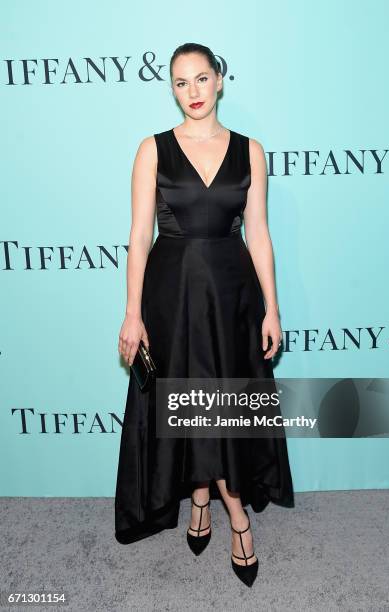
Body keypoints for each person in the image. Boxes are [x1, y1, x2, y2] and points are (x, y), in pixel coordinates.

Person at [115, 42, 294, 587]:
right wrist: (131, 314)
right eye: (179, 82)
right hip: (172, 296)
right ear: (172, 89)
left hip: (231, 294)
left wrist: (273, 309)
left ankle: (217, 504)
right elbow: (138, 239)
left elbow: (258, 234)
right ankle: (218, 507)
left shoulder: (251, 151)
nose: (191, 92)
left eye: (200, 78)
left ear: (220, 80)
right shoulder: (152, 149)